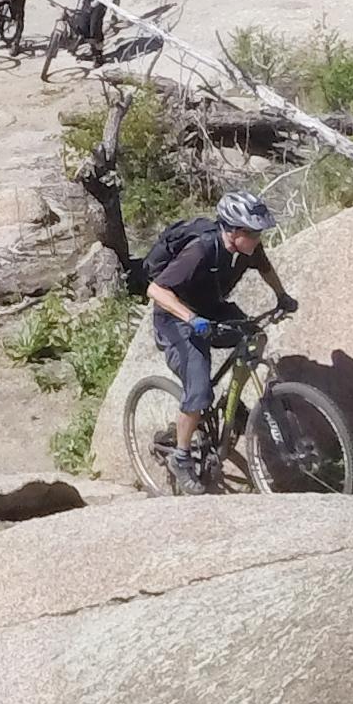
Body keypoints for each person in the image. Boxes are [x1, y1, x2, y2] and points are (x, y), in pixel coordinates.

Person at [144, 191, 297, 496]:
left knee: (254, 336)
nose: (257, 237)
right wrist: (190, 319)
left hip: (211, 309)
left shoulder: (248, 248)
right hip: (175, 318)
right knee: (199, 390)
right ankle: (182, 457)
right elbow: (156, 290)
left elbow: (266, 268)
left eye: (258, 232)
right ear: (232, 230)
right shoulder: (200, 250)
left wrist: (282, 296)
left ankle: (231, 401)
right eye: (252, 232)